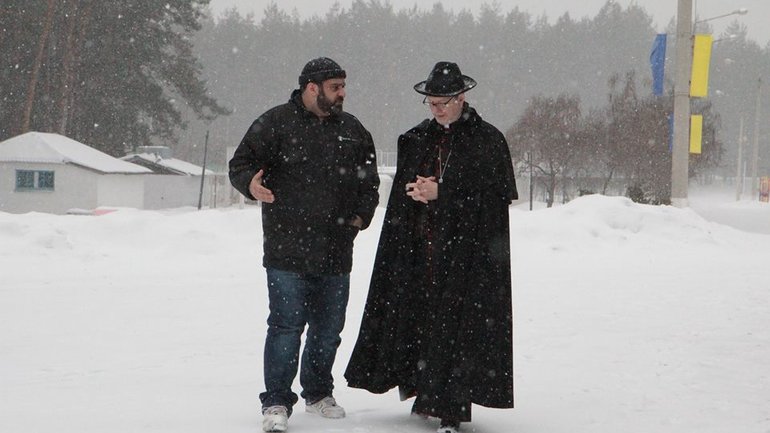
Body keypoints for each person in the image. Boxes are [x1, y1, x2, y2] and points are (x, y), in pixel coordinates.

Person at [344, 61, 517, 433]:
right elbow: (404, 196)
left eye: (443, 103)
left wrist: (445, 193)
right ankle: (423, 391)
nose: (436, 110)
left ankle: (451, 408)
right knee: (420, 323)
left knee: (459, 329)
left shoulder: (487, 140)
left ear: (462, 98)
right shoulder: (415, 139)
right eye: (431, 103)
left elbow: (495, 199)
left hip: (467, 256)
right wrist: (415, 193)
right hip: (420, 250)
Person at [229, 57, 380, 433]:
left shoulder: (352, 129)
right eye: (336, 87)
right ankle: (277, 401)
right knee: (285, 327)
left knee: (328, 330)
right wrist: (250, 184)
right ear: (312, 88)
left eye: (344, 86)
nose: (343, 93)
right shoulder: (275, 123)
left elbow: (370, 183)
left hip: (336, 249)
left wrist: (359, 219)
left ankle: (317, 393)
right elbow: (240, 164)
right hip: (286, 250)